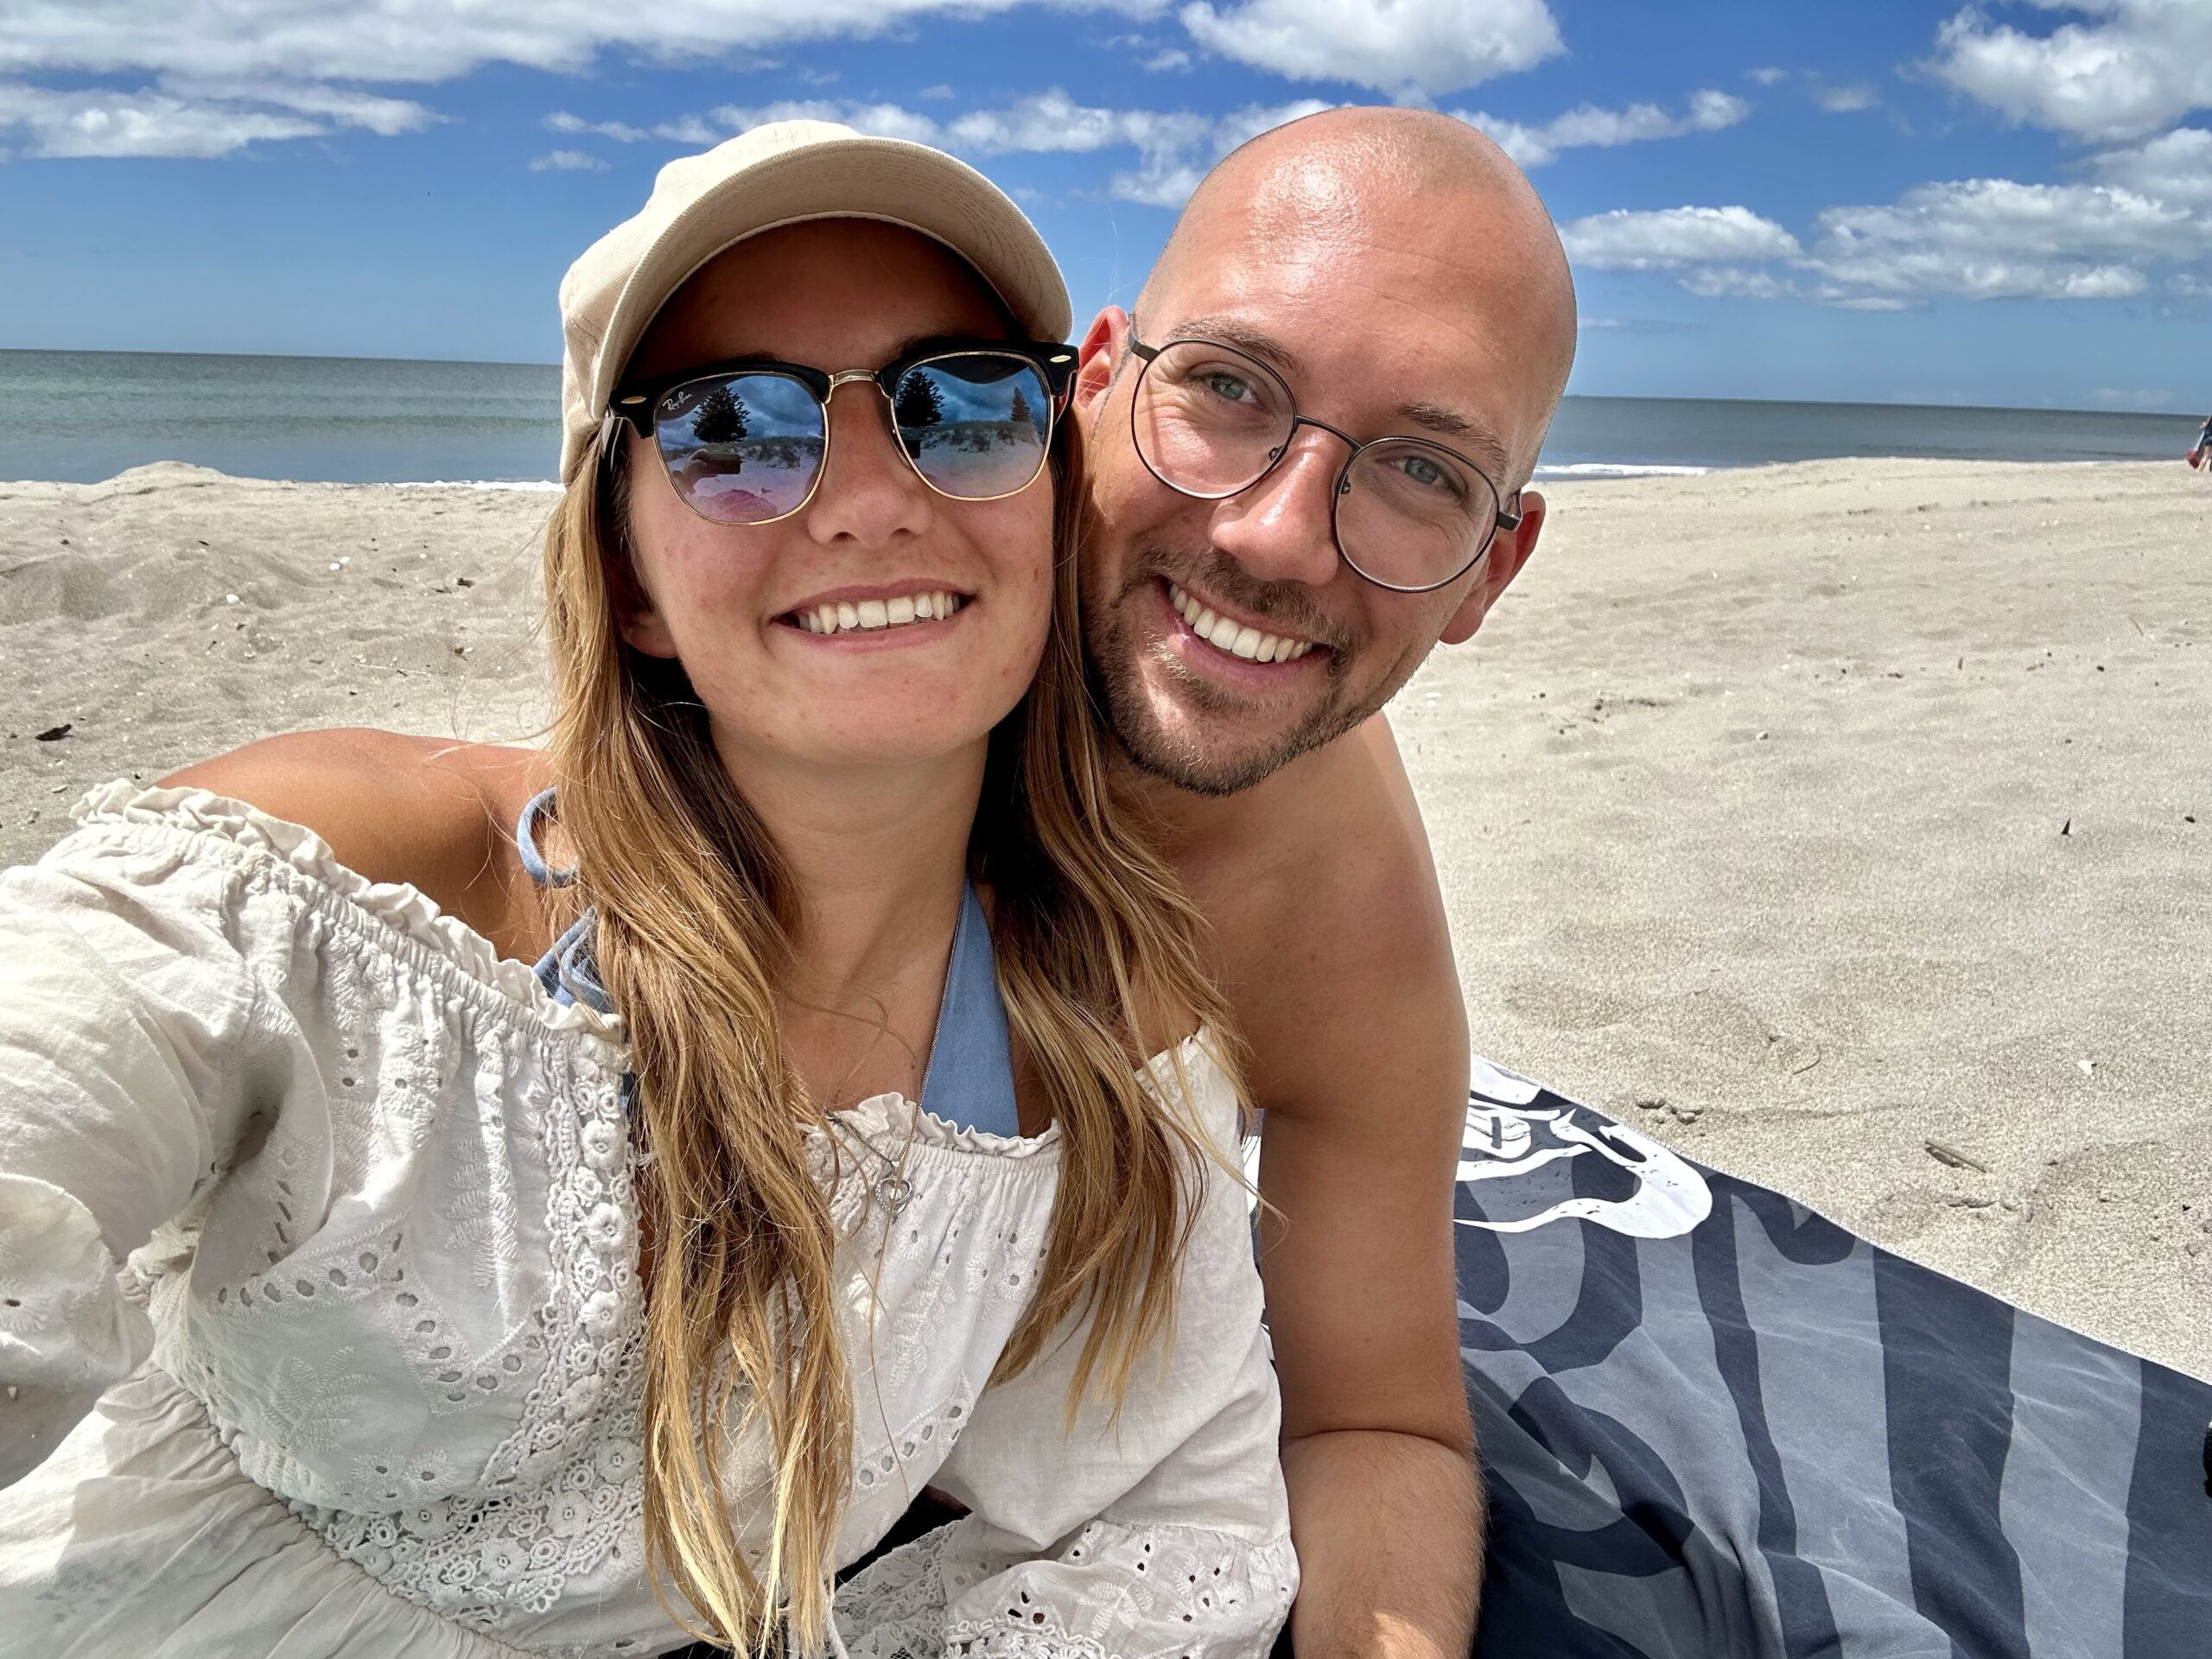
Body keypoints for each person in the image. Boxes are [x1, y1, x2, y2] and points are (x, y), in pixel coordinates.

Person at [0, 124, 1298, 1657]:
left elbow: (1181, 1515)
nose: (872, 501)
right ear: (626, 575)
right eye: (731, 429)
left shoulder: (1086, 1056)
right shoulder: (357, 897)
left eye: (960, 407)